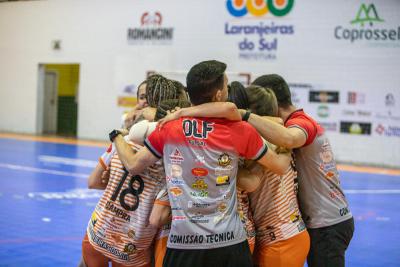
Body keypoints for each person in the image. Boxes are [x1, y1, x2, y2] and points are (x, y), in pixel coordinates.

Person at [112, 60, 291, 267]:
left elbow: (133, 164)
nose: (227, 89)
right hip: (230, 242)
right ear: (218, 95)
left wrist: (116, 135)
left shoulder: (168, 128)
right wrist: (286, 147)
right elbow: (280, 166)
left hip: (183, 244)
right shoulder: (240, 130)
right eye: (226, 85)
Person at [230, 85, 310, 267]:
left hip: (279, 239)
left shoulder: (258, 139)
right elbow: (277, 122)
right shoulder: (276, 134)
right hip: (288, 234)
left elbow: (250, 182)